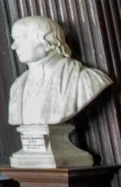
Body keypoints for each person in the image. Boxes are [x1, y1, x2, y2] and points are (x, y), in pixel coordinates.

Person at [6, 14, 112, 168]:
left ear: (45, 40)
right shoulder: (17, 86)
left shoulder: (86, 80)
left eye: (20, 38)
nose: (13, 46)